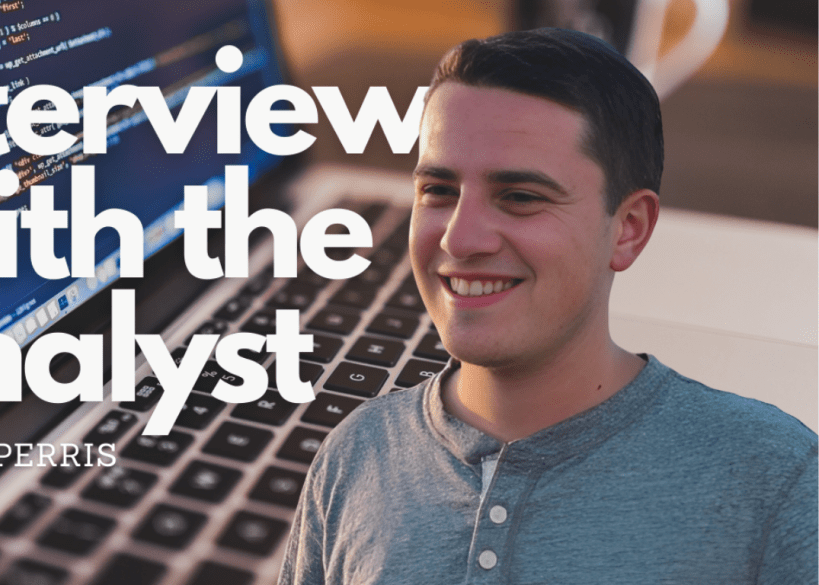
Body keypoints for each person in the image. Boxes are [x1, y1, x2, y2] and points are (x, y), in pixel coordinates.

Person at [279, 28, 817, 585]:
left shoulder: (774, 479)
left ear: (628, 230)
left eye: (520, 197)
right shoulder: (355, 456)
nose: (461, 239)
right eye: (438, 190)